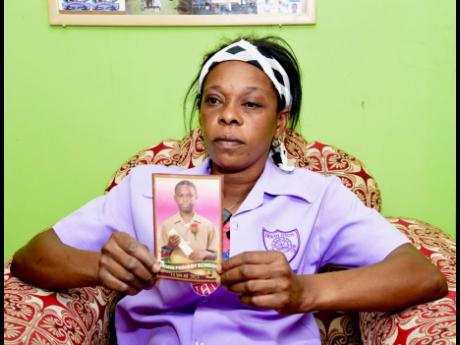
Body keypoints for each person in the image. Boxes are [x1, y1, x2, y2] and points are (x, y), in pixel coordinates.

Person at [11, 36, 448, 345]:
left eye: (251, 104)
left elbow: (421, 275)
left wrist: (304, 292)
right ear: (200, 114)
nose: (229, 116)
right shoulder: (144, 187)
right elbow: (32, 258)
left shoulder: (318, 196)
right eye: (214, 100)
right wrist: (100, 266)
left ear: (280, 122)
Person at [159, 180, 217, 262]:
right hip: (175, 272)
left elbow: (215, 255)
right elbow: (162, 257)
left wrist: (206, 254)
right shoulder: (166, 225)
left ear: (196, 197)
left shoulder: (208, 225)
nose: (185, 199)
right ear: (175, 198)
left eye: (189, 195)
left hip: (201, 272)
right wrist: (169, 246)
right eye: (181, 195)